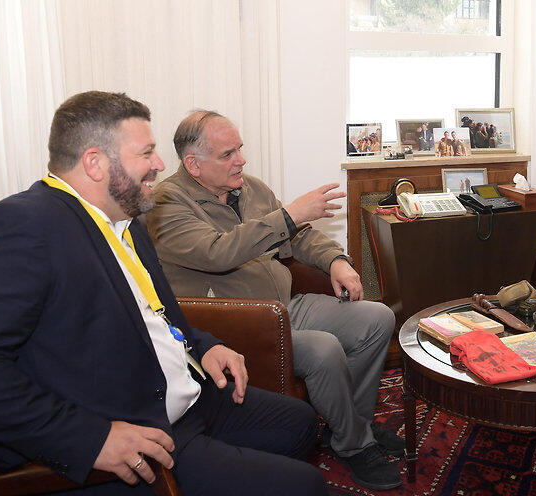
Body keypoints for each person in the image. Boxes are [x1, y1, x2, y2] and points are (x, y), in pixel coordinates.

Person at [0, 91, 326, 495]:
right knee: (307, 485)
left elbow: (157, 315)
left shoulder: (127, 222)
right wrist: (90, 439)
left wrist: (203, 345)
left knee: (300, 423)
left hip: (187, 397)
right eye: (147, 153)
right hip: (137, 430)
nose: (160, 164)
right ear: (95, 163)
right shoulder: (22, 227)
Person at [145, 110, 402, 491]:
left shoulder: (249, 187)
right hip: (234, 324)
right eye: (228, 154)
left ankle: (349, 427)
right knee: (323, 348)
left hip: (285, 305)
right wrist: (289, 215)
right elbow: (218, 252)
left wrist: (336, 260)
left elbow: (297, 235)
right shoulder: (167, 204)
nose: (241, 160)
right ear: (193, 164)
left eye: (241, 149)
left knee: (376, 318)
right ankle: (355, 446)